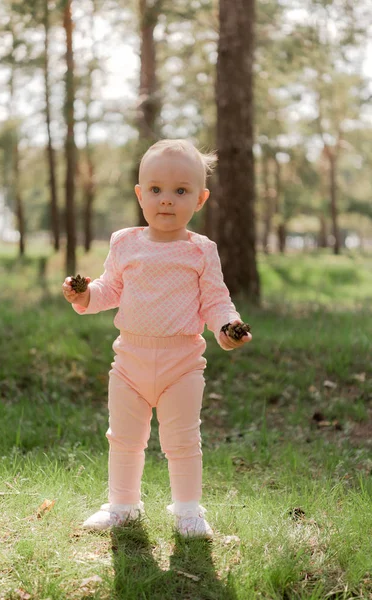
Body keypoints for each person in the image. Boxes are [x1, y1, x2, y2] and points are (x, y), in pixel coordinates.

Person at [62, 139, 252, 538]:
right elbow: (110, 289)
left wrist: (227, 327)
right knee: (124, 438)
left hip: (181, 363)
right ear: (140, 194)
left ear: (199, 199)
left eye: (180, 191)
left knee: (182, 440)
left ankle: (187, 511)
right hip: (129, 359)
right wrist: (85, 295)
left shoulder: (201, 251)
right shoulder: (125, 242)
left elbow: (216, 300)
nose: (166, 200)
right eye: (156, 190)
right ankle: (122, 506)